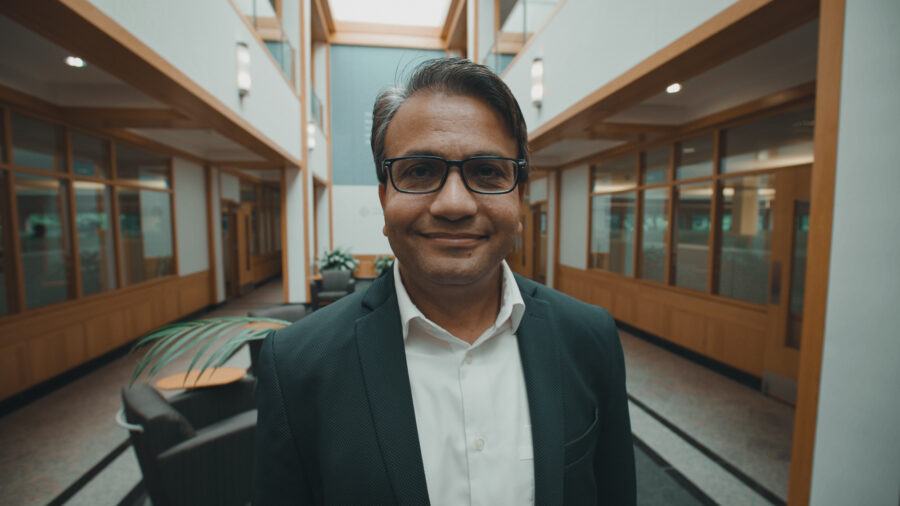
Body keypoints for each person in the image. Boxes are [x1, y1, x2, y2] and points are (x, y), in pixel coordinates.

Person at [252, 57, 635, 505]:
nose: (454, 204)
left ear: (521, 197)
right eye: (420, 172)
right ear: (383, 196)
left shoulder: (589, 337)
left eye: (487, 172)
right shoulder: (298, 364)